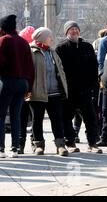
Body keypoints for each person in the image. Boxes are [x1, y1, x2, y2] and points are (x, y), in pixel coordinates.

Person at [55, 21, 102, 154]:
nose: (74, 31)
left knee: (90, 117)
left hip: (85, 90)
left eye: (76, 29)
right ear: (66, 33)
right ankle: (70, 142)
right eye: (71, 30)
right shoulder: (61, 48)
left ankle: (92, 143)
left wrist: (93, 86)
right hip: (68, 91)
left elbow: (94, 68)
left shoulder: (87, 47)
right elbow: (58, 71)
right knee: (66, 118)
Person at [27, 27, 69, 156]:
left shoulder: (52, 52)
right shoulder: (31, 51)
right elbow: (28, 72)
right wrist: (28, 89)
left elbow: (60, 69)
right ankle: (39, 145)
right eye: (50, 36)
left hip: (54, 92)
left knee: (57, 119)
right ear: (43, 37)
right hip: (37, 92)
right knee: (37, 120)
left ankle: (60, 145)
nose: (52, 39)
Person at [0, 15, 35, 158]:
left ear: (2, 28)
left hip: (8, 82)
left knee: (0, 115)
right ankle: (15, 149)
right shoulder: (23, 42)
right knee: (16, 116)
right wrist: (29, 87)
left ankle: (1, 149)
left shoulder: (3, 40)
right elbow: (30, 67)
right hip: (23, 83)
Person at [17, 26, 35, 154]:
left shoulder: (20, 50)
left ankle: (20, 144)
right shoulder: (37, 51)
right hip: (34, 89)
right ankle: (34, 142)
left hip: (22, 88)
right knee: (35, 117)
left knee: (21, 117)